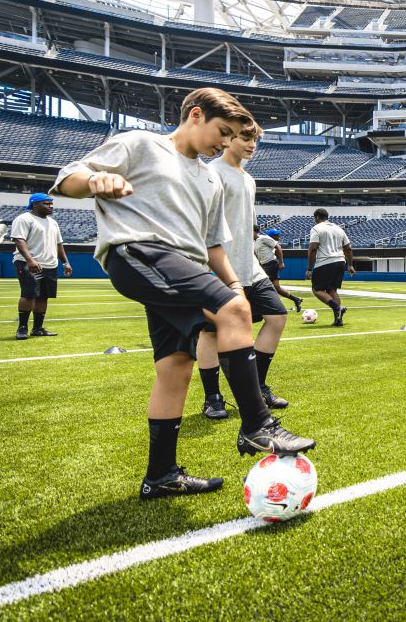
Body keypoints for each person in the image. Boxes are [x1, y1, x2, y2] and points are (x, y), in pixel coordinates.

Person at [51, 87, 314, 502]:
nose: (224, 143)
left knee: (176, 366)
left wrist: (232, 286)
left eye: (232, 138)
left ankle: (161, 475)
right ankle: (257, 426)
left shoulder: (210, 178)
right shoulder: (141, 144)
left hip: (185, 267)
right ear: (195, 115)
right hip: (138, 251)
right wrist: (95, 180)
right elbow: (66, 180)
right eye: (221, 131)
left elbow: (213, 245)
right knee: (232, 312)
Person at [196, 123, 291, 422]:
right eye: (246, 138)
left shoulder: (248, 179)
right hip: (217, 267)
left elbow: (246, 228)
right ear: (229, 138)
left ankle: (258, 386)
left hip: (249, 266)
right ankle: (213, 398)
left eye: (255, 140)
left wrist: (253, 261)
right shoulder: (212, 173)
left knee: (277, 317)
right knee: (211, 333)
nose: (252, 145)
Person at [10, 192, 72, 340]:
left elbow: (59, 244)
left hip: (50, 264)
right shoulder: (24, 219)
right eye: (46, 203)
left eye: (51, 203)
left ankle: (37, 328)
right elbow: (19, 240)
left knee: (44, 297)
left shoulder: (53, 222)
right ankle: (22, 328)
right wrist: (30, 260)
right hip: (29, 263)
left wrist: (65, 262)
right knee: (29, 295)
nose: (50, 206)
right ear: (35, 204)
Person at [306, 208, 355, 326]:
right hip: (340, 262)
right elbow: (348, 248)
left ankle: (337, 307)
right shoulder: (339, 229)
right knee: (332, 290)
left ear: (317, 217)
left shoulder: (316, 228)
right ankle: (338, 319)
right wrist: (350, 265)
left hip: (325, 262)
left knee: (317, 289)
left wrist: (309, 269)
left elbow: (313, 248)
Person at [255, 226, 303, 312]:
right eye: (276, 235)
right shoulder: (255, 242)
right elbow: (258, 255)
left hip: (271, 264)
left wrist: (281, 262)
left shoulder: (263, 238)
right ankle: (296, 299)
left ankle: (269, 307)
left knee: (261, 286)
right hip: (265, 265)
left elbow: (279, 247)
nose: (278, 236)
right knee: (276, 288)